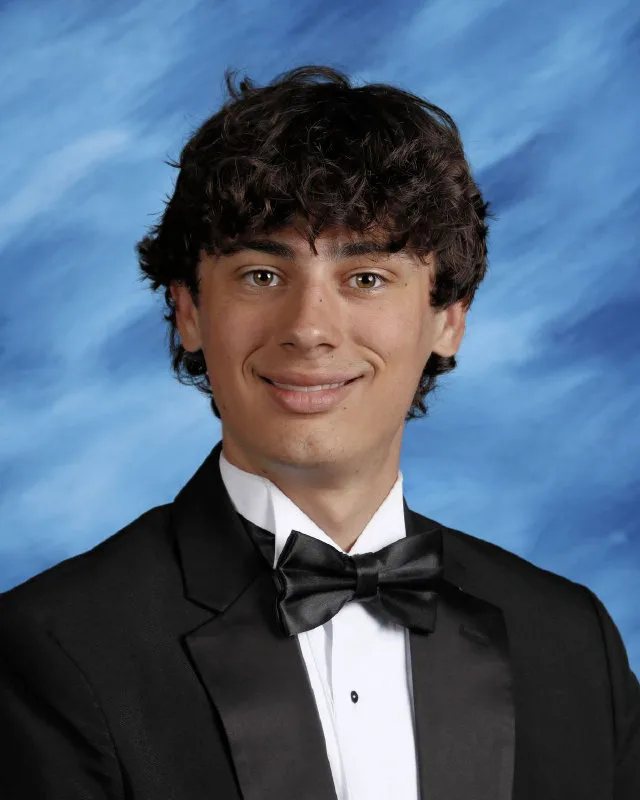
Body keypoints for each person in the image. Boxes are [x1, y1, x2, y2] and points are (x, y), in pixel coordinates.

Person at [0, 65, 638, 800]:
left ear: (448, 319)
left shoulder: (571, 642)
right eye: (261, 276)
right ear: (189, 312)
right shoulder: (57, 647)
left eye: (366, 278)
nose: (308, 328)